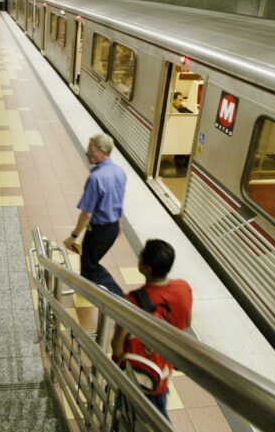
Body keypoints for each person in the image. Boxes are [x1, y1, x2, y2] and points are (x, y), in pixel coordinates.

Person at [111, 239, 192, 419]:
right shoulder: (183, 288)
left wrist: (117, 370)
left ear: (146, 269)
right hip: (163, 370)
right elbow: (186, 323)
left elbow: (117, 344)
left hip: (139, 371)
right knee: (156, 409)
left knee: (150, 418)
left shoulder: (133, 301)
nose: (138, 257)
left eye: (141, 256)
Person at [63, 133, 126, 297]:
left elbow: (87, 214)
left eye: (91, 149)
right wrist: (119, 224)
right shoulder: (119, 172)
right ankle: (86, 291)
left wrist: (73, 236)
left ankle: (123, 301)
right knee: (87, 262)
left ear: (103, 152)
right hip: (112, 228)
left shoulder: (96, 178)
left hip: (99, 230)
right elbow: (118, 201)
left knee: (90, 266)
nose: (87, 152)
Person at [171, 92, 193, 175]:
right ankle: (180, 170)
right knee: (181, 153)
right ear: (174, 100)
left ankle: (185, 169)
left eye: (182, 100)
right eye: (179, 100)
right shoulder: (172, 110)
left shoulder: (182, 108)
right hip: (177, 134)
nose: (181, 102)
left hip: (184, 133)